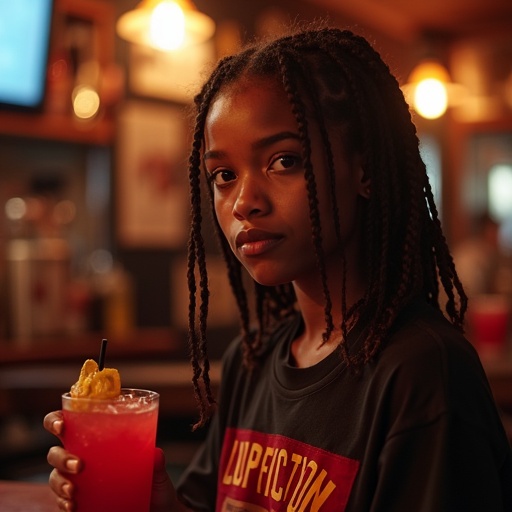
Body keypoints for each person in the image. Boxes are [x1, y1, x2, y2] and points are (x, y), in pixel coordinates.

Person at [44, 26, 512, 511]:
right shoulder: (259, 359)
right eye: (223, 175)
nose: (244, 202)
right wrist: (154, 502)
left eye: (284, 161)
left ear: (365, 170)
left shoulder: (422, 373)